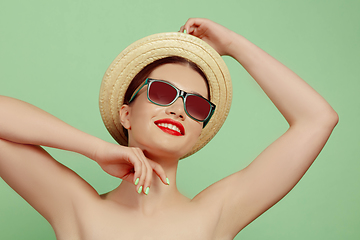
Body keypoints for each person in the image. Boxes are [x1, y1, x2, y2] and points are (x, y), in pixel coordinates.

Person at [0, 18, 338, 239]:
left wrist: (232, 46)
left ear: (198, 132)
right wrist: (94, 148)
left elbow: (318, 118)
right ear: (126, 114)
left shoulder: (216, 213)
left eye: (195, 106)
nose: (178, 109)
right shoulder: (76, 206)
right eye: (162, 93)